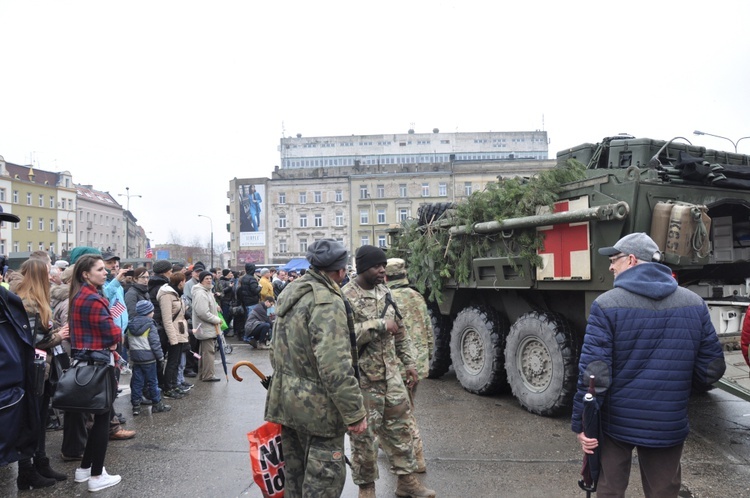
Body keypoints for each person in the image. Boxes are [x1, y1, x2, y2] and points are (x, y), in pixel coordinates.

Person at [572, 233, 726, 498]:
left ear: (631, 260)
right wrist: (678, 390)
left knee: (609, 489)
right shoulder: (694, 304)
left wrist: (583, 423)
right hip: (668, 422)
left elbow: (595, 374)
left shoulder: (606, 305)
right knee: (663, 491)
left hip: (615, 423)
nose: (610, 267)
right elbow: (712, 368)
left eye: (614, 260)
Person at [264, 239, 367, 497]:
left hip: (288, 404)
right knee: (324, 483)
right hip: (319, 412)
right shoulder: (327, 301)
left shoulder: (292, 291)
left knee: (295, 483)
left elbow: (275, 351)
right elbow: (335, 366)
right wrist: (354, 413)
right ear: (341, 271)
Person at [342, 246, 435, 498]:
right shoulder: (345, 297)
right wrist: (380, 325)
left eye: (383, 265)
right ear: (362, 267)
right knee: (365, 439)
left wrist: (410, 364)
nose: (382, 270)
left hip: (391, 377)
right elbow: (344, 336)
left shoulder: (386, 292)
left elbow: (401, 332)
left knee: (401, 430)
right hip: (363, 380)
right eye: (376, 266)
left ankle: (407, 482)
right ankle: (367, 489)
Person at [68, 254, 123, 492]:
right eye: (100, 269)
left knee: (99, 415)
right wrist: (113, 338)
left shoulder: (82, 295)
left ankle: (84, 469)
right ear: (86, 274)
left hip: (89, 362)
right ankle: (97, 476)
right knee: (102, 417)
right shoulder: (92, 298)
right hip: (99, 363)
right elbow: (113, 333)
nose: (106, 272)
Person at [385, 257, 434, 473]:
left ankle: (416, 457)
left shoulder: (386, 298)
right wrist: (427, 358)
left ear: (385, 276)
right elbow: (429, 331)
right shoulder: (417, 297)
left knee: (403, 415)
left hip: (397, 366)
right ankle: (401, 452)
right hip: (417, 365)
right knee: (407, 409)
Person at [126, 300, 170, 416]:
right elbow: (155, 343)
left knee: (137, 382)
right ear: (148, 312)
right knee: (152, 382)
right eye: (152, 311)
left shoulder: (130, 324)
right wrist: (160, 357)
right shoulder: (150, 325)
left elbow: (126, 342)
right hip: (149, 358)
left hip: (136, 358)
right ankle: (157, 404)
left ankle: (136, 406)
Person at [157, 271, 192, 398]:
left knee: (177, 361)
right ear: (180, 282)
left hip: (180, 331)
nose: (185, 283)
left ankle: (174, 385)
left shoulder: (177, 294)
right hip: (174, 333)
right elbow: (167, 319)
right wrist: (173, 338)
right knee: (172, 362)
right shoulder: (167, 295)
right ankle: (168, 388)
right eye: (184, 281)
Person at [192, 271, 222, 382]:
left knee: (205, 352)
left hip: (207, 327)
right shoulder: (201, 293)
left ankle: (205, 373)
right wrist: (217, 320)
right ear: (201, 280)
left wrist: (216, 306)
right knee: (208, 352)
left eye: (210, 278)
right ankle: (208, 375)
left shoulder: (207, 291)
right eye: (206, 278)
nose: (209, 280)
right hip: (205, 327)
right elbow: (202, 312)